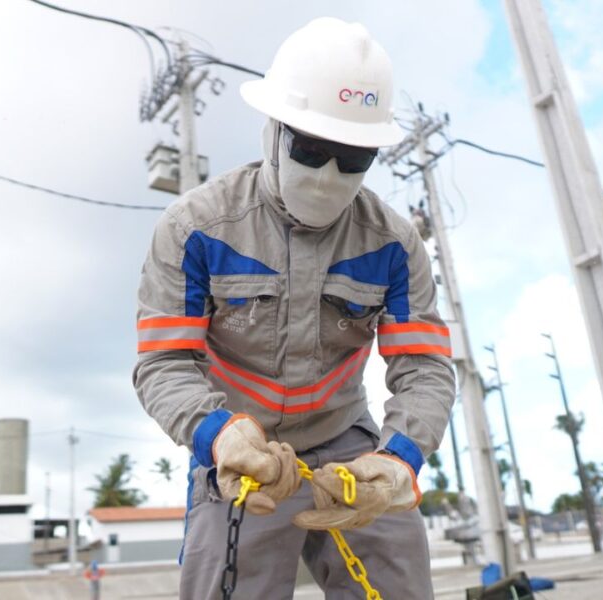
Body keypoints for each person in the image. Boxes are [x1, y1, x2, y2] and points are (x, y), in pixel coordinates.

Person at [133, 17, 455, 598]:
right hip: (238, 443)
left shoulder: (394, 244)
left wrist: (398, 461)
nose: (329, 175)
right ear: (273, 132)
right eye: (310, 149)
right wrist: (220, 437)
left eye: (353, 158)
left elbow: (425, 369)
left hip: (349, 444)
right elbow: (164, 363)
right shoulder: (194, 230)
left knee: (399, 578)